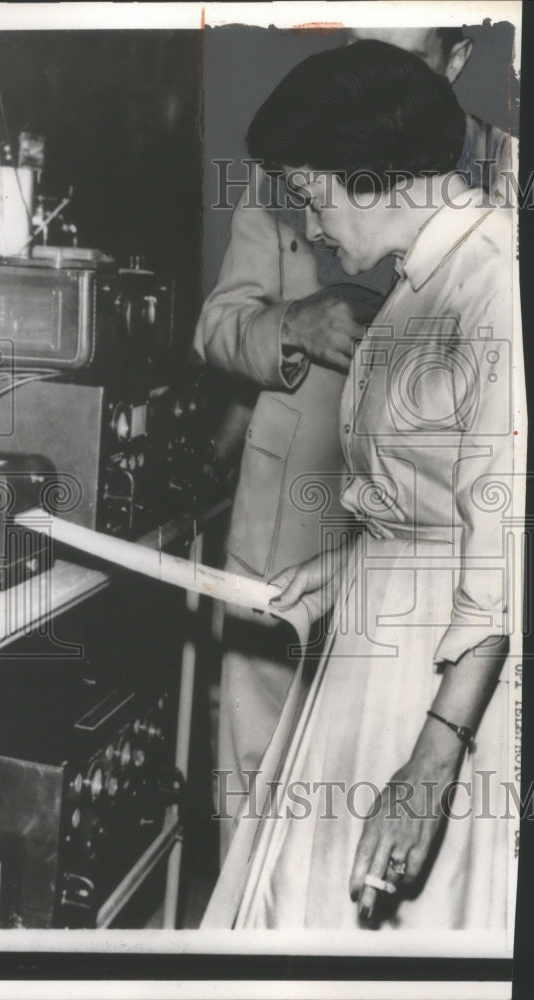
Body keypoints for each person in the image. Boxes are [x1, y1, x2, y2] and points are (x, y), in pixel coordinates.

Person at [204, 40, 521, 931]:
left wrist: (434, 758)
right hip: (379, 660)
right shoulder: (421, 282)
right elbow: (427, 499)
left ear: (371, 176)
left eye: (313, 194)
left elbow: (506, 538)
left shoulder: (494, 278)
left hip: (445, 688)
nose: (315, 223)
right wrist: (348, 568)